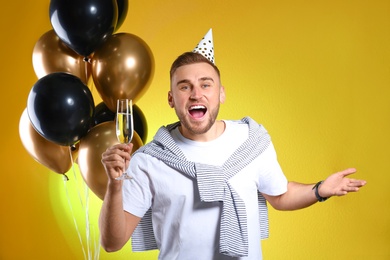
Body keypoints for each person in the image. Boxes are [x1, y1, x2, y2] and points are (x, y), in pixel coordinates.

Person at [99, 51, 366, 260]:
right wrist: (114, 185)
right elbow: (112, 243)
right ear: (171, 98)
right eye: (184, 87)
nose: (196, 94)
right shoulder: (149, 160)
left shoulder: (251, 141)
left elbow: (280, 196)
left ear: (221, 93)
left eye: (206, 84)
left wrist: (320, 189)